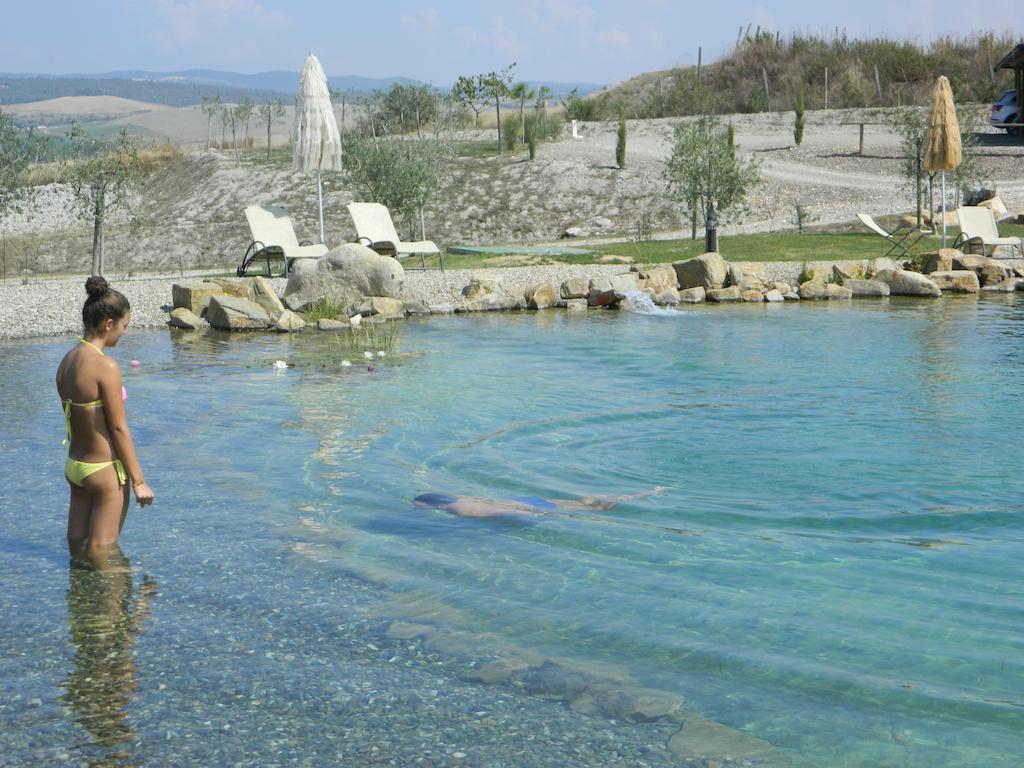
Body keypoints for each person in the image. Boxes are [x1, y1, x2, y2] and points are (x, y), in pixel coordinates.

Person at [56, 276, 154, 570]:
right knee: (103, 553)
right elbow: (118, 428)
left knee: (77, 545)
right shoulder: (106, 366)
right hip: (103, 471)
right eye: (124, 326)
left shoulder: (67, 361)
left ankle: (81, 611)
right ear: (108, 324)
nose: (124, 334)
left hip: (75, 467)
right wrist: (138, 481)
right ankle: (116, 614)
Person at [413, 488, 663, 519]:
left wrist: (536, 515)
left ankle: (609, 503)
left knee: (592, 508)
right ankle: (643, 493)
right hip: (523, 499)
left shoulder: (459, 508)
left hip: (529, 506)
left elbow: (498, 513)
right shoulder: (461, 498)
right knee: (583, 503)